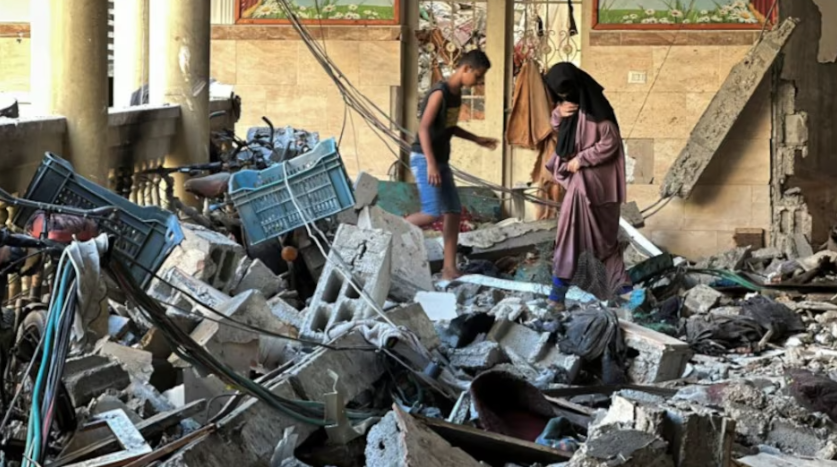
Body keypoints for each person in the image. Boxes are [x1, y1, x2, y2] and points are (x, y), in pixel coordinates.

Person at [406, 50, 499, 280]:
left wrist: (476, 139)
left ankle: (449, 269)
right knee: (430, 213)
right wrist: (430, 164)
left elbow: (449, 128)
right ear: (465, 69)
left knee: (454, 212)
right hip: (424, 158)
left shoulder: (456, 96)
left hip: (440, 161)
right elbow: (424, 128)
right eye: (478, 76)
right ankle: (386, 229)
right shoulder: (440, 93)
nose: (478, 82)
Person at [544, 62, 630, 305]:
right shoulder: (574, 106)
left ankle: (557, 296)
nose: (563, 98)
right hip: (593, 184)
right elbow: (562, 131)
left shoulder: (597, 113)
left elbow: (610, 142)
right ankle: (625, 292)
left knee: (569, 235)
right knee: (605, 242)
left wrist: (581, 159)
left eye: (565, 93)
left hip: (592, 184)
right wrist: (558, 113)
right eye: (559, 95)